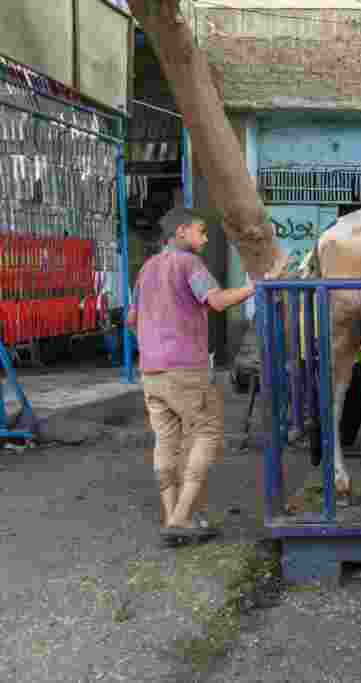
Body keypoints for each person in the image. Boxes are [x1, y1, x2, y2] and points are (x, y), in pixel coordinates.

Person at [127, 207, 281, 546]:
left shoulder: (147, 269)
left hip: (151, 371)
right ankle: (181, 518)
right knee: (207, 432)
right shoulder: (189, 264)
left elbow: (130, 319)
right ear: (182, 232)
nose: (205, 238)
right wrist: (257, 285)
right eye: (201, 231)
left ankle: (173, 515)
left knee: (167, 440)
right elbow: (218, 301)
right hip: (185, 368)